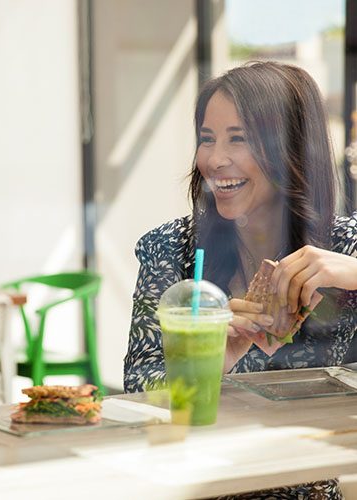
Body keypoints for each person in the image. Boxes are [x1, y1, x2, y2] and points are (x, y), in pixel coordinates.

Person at [124, 61, 357, 498]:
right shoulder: (171, 249)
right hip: (194, 488)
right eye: (207, 139)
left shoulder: (346, 247)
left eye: (239, 139)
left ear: (291, 149)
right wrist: (215, 360)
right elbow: (140, 392)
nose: (214, 160)